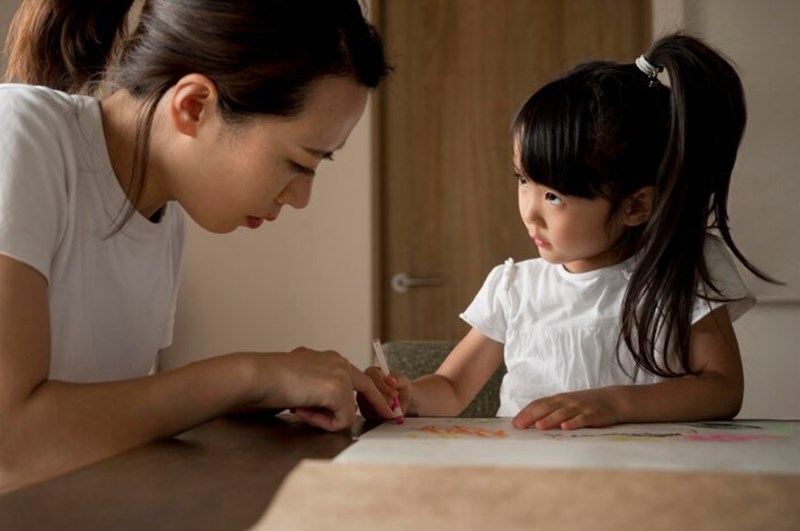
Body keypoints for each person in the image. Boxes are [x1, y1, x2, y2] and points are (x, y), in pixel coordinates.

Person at [0, 0, 395, 492]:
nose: (300, 197)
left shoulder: (163, 217)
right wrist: (250, 374)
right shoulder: (18, 133)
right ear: (193, 106)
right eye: (299, 163)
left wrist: (276, 383)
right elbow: (11, 445)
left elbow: (104, 420)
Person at [358, 33, 780, 430]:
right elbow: (451, 389)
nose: (529, 212)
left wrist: (613, 404)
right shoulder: (513, 288)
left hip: (646, 484)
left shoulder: (685, 268)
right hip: (533, 484)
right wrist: (410, 396)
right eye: (523, 181)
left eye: (554, 197)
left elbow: (723, 389)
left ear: (636, 205)